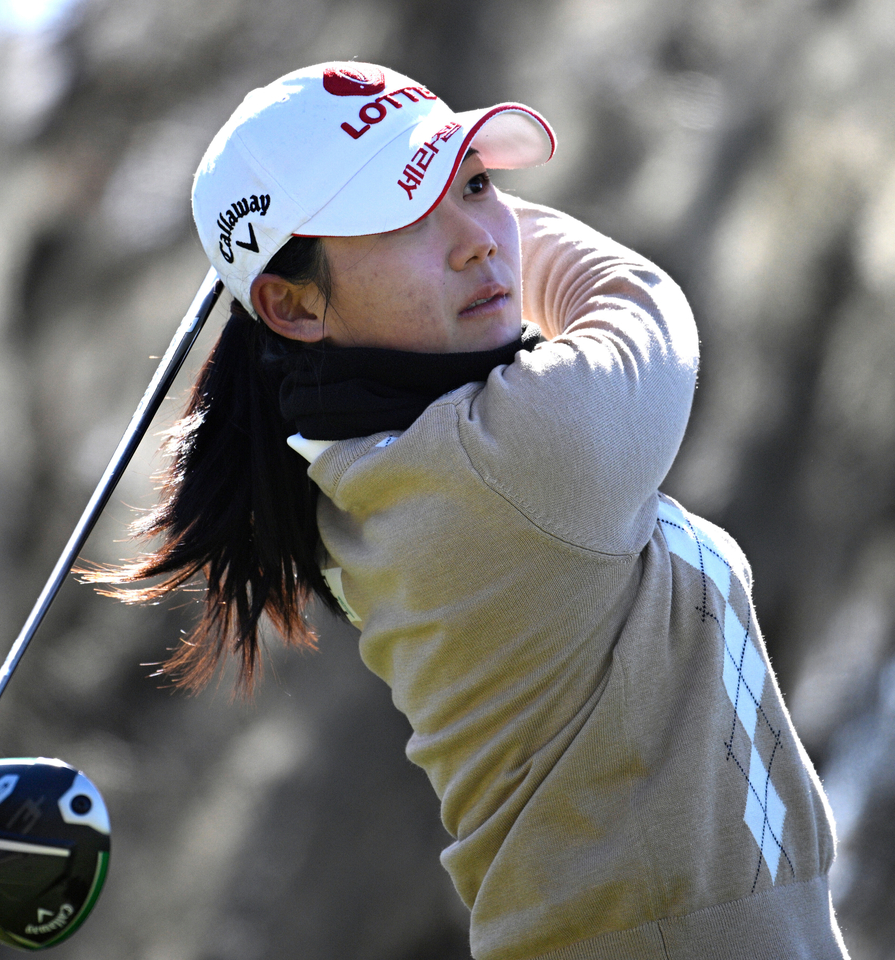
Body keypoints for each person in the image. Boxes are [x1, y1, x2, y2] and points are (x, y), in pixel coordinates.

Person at [94, 62, 849, 960]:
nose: (479, 241)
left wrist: (392, 208)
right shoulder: (514, 459)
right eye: (406, 216)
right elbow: (637, 299)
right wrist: (477, 206)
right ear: (291, 307)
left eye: (480, 185)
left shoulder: (369, 459)